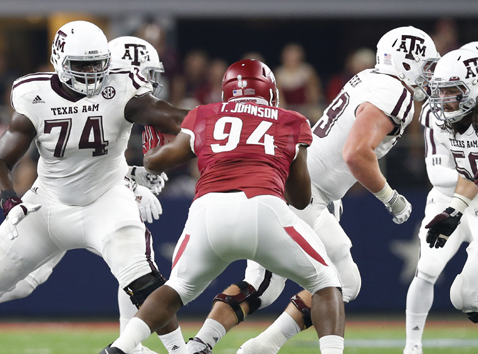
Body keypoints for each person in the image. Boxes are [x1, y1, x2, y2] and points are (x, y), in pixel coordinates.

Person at [0, 21, 188, 354]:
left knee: (145, 282)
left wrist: (220, 118)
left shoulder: (121, 88)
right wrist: (10, 202)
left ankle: (182, 351)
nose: (92, 73)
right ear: (59, 60)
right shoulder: (34, 96)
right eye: (82, 65)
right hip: (48, 204)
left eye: (98, 64)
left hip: (106, 200)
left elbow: (175, 118)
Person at [181, 26, 439, 354]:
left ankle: (249, 346)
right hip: (300, 191)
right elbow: (356, 153)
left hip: (307, 188)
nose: (429, 75)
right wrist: (391, 197)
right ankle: (214, 345)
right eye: (426, 65)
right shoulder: (395, 92)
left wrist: (332, 193)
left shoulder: (371, 79)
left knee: (321, 282)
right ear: (407, 63)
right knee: (283, 284)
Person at [104, 58, 345, 354]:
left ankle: (120, 348)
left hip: (207, 212)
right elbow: (299, 197)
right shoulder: (291, 120)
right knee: (326, 281)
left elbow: (156, 162)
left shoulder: (205, 114)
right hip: (263, 208)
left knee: (177, 288)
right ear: (270, 91)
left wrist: (152, 142)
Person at [404, 41, 478, 354]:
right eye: (439, 91)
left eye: (451, 91)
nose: (443, 99)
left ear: (476, 87)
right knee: (466, 296)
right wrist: (455, 210)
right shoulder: (457, 121)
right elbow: (475, 170)